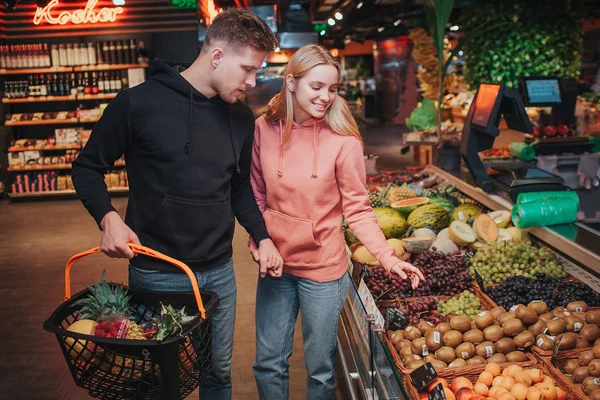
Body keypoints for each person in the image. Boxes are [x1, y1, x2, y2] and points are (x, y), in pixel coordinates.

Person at [72, 9, 283, 399]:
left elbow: (237, 185)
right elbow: (87, 168)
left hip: (219, 271)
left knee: (217, 374)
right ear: (216, 56)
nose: (253, 82)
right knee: (161, 378)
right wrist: (109, 218)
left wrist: (262, 235)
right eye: (248, 69)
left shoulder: (240, 118)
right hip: (157, 270)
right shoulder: (136, 104)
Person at [248, 44, 425, 400]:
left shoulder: (344, 143)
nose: (326, 97)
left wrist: (388, 258)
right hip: (277, 266)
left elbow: (358, 211)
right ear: (292, 82)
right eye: (317, 87)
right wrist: (259, 241)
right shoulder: (263, 129)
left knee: (321, 371)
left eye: (332, 89)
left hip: (325, 272)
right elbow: (256, 195)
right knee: (268, 363)